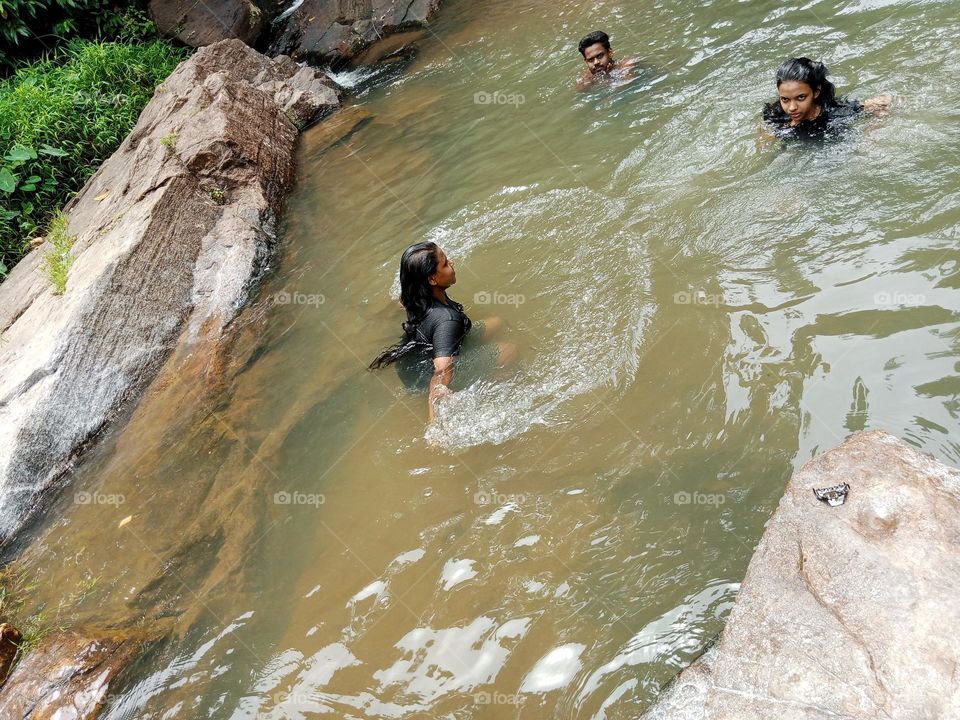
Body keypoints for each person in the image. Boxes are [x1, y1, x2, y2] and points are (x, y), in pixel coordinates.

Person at [370, 242, 513, 424]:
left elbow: (402, 302)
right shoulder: (447, 320)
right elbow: (441, 373)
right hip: (424, 376)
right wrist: (435, 426)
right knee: (509, 350)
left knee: (499, 322)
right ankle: (491, 390)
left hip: (419, 356)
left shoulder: (414, 296)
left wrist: (377, 316)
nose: (452, 263)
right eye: (445, 264)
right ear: (432, 279)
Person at [760, 57, 891, 141]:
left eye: (801, 97)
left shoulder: (836, 115)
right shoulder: (775, 114)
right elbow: (762, 133)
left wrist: (871, 131)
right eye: (785, 99)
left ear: (816, 92)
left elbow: (885, 102)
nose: (792, 108)